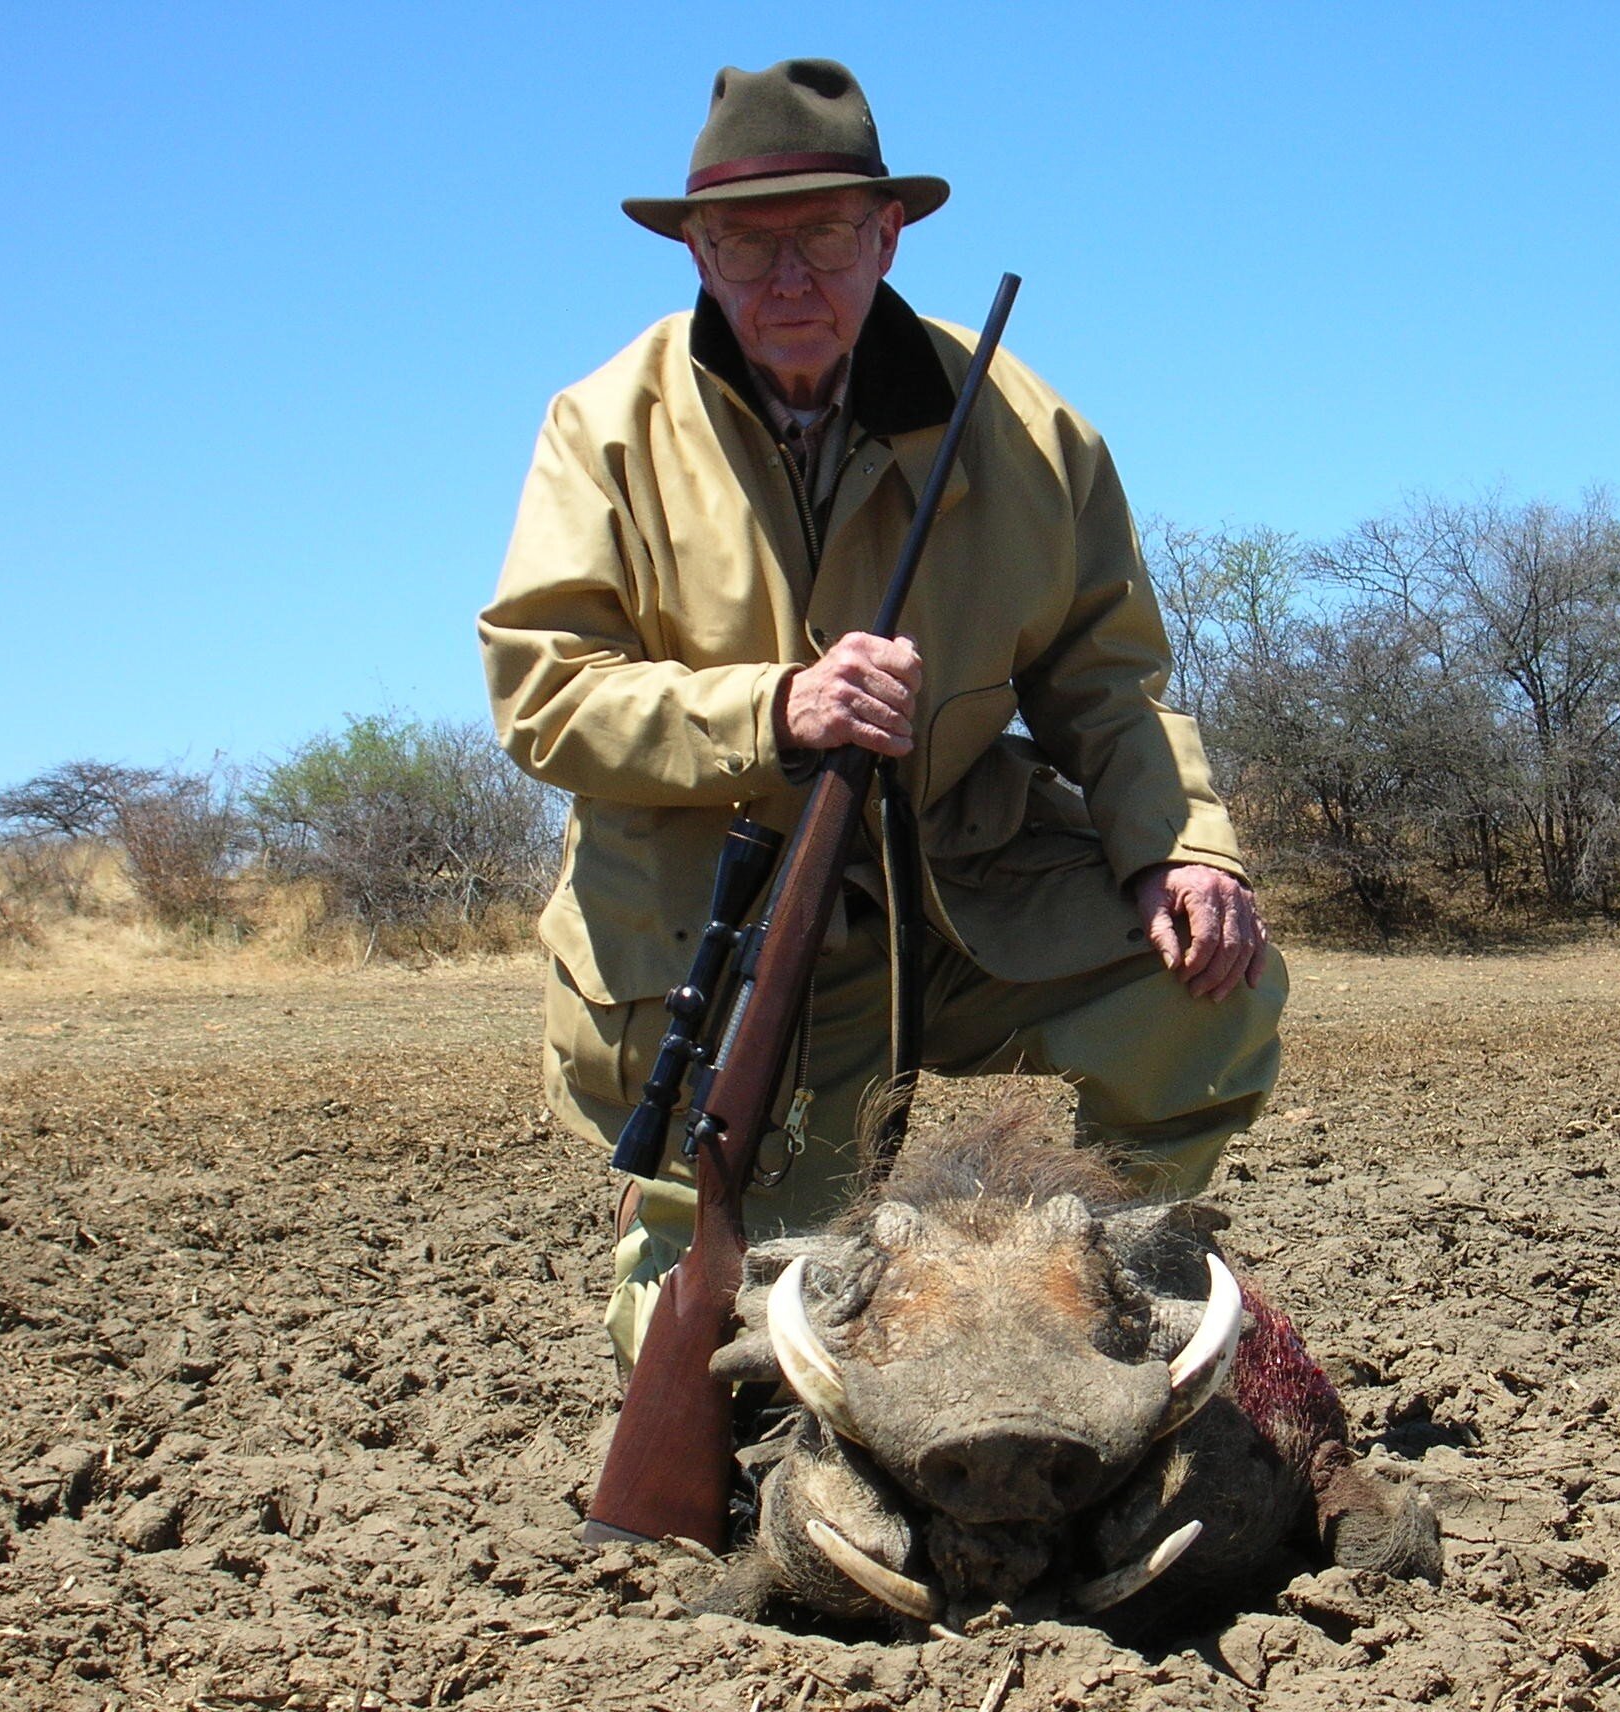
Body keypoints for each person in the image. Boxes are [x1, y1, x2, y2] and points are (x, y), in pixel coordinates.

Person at [480, 58, 1285, 1368]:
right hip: (720, 937)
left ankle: (1110, 1293)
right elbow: (543, 690)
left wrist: (1181, 844)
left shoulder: (1031, 430)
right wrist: (776, 710)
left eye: (826, 237)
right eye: (748, 242)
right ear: (696, 245)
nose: (788, 281)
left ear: (888, 233)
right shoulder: (600, 427)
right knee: (720, 1356)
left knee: (1205, 982)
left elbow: (1106, 678)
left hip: (959, 901)